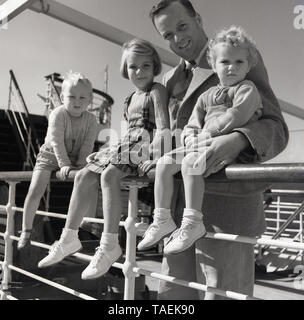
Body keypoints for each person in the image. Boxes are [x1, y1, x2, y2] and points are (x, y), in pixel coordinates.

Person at [147, 0, 289, 300]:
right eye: (167, 35)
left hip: (227, 210)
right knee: (172, 297)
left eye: (182, 26)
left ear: (198, 19)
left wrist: (238, 139)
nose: (177, 38)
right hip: (178, 214)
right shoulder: (170, 79)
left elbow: (276, 126)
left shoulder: (236, 56)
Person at [38, 38, 171, 280]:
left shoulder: (156, 90)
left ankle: (110, 243)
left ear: (154, 67)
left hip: (144, 142)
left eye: (146, 66)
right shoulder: (130, 98)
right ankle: (69, 237)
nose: (139, 72)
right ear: (126, 69)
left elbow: (163, 127)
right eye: (133, 67)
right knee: (84, 176)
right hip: (126, 142)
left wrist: (155, 154)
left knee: (110, 175)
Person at [138, 25, 264, 254]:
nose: (232, 68)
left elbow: (237, 115)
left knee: (190, 164)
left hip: (223, 145)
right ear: (214, 66)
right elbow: (193, 122)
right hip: (200, 143)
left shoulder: (247, 89)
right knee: (166, 163)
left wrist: (207, 134)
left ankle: (193, 221)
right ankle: (162, 218)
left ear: (248, 66)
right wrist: (190, 137)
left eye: (239, 63)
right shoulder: (207, 96)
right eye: (225, 62)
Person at [17, 71, 98, 250]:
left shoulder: (92, 120)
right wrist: (64, 165)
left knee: (91, 180)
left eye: (82, 97)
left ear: (90, 100)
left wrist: (80, 166)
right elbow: (56, 141)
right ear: (62, 97)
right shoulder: (58, 114)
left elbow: (87, 145)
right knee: (35, 189)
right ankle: (26, 230)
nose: (77, 101)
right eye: (71, 96)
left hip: (76, 157)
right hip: (51, 155)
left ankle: (86, 225)